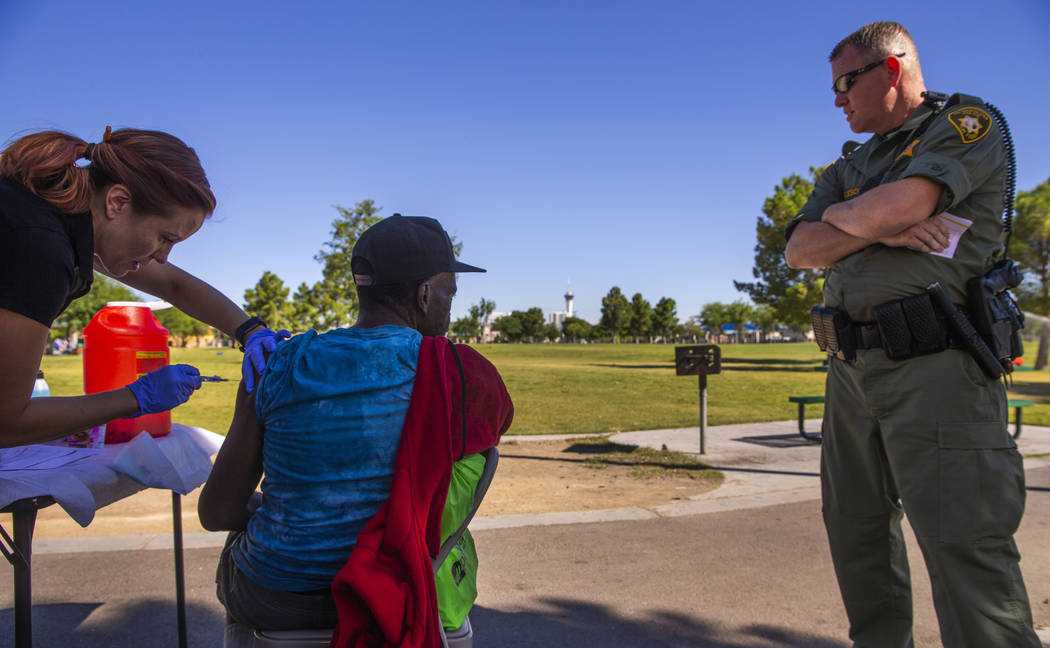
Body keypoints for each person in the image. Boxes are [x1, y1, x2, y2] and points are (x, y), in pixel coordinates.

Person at [785, 22, 1039, 647]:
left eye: (845, 83)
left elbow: (895, 208)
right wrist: (880, 224)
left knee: (963, 547)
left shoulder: (964, 125)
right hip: (850, 372)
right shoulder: (856, 161)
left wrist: (864, 219)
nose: (837, 99)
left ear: (891, 71)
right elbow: (798, 249)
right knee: (856, 534)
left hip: (937, 367)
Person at [198, 215, 513, 641]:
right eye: (448, 292)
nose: (449, 305)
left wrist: (273, 511)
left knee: (240, 550)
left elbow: (217, 512)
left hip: (278, 594)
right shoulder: (460, 376)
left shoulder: (279, 363)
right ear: (423, 295)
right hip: (398, 585)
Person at [0, 127, 285, 448]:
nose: (162, 258)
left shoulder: (51, 216)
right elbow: (7, 422)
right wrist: (135, 397)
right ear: (118, 202)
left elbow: (174, 286)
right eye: (165, 238)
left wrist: (250, 330)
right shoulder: (39, 245)